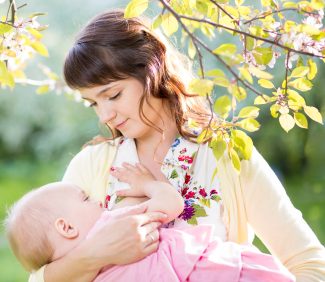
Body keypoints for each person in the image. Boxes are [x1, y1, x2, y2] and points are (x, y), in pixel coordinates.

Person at [30, 9, 325, 282]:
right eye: (93, 102)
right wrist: (95, 254)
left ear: (152, 67)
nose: (105, 115)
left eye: (114, 95)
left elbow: (309, 264)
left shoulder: (225, 153)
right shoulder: (91, 165)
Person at [5, 163, 295, 281]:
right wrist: (148, 184)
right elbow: (171, 205)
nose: (97, 201)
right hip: (216, 269)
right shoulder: (114, 221)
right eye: (86, 200)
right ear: (66, 228)